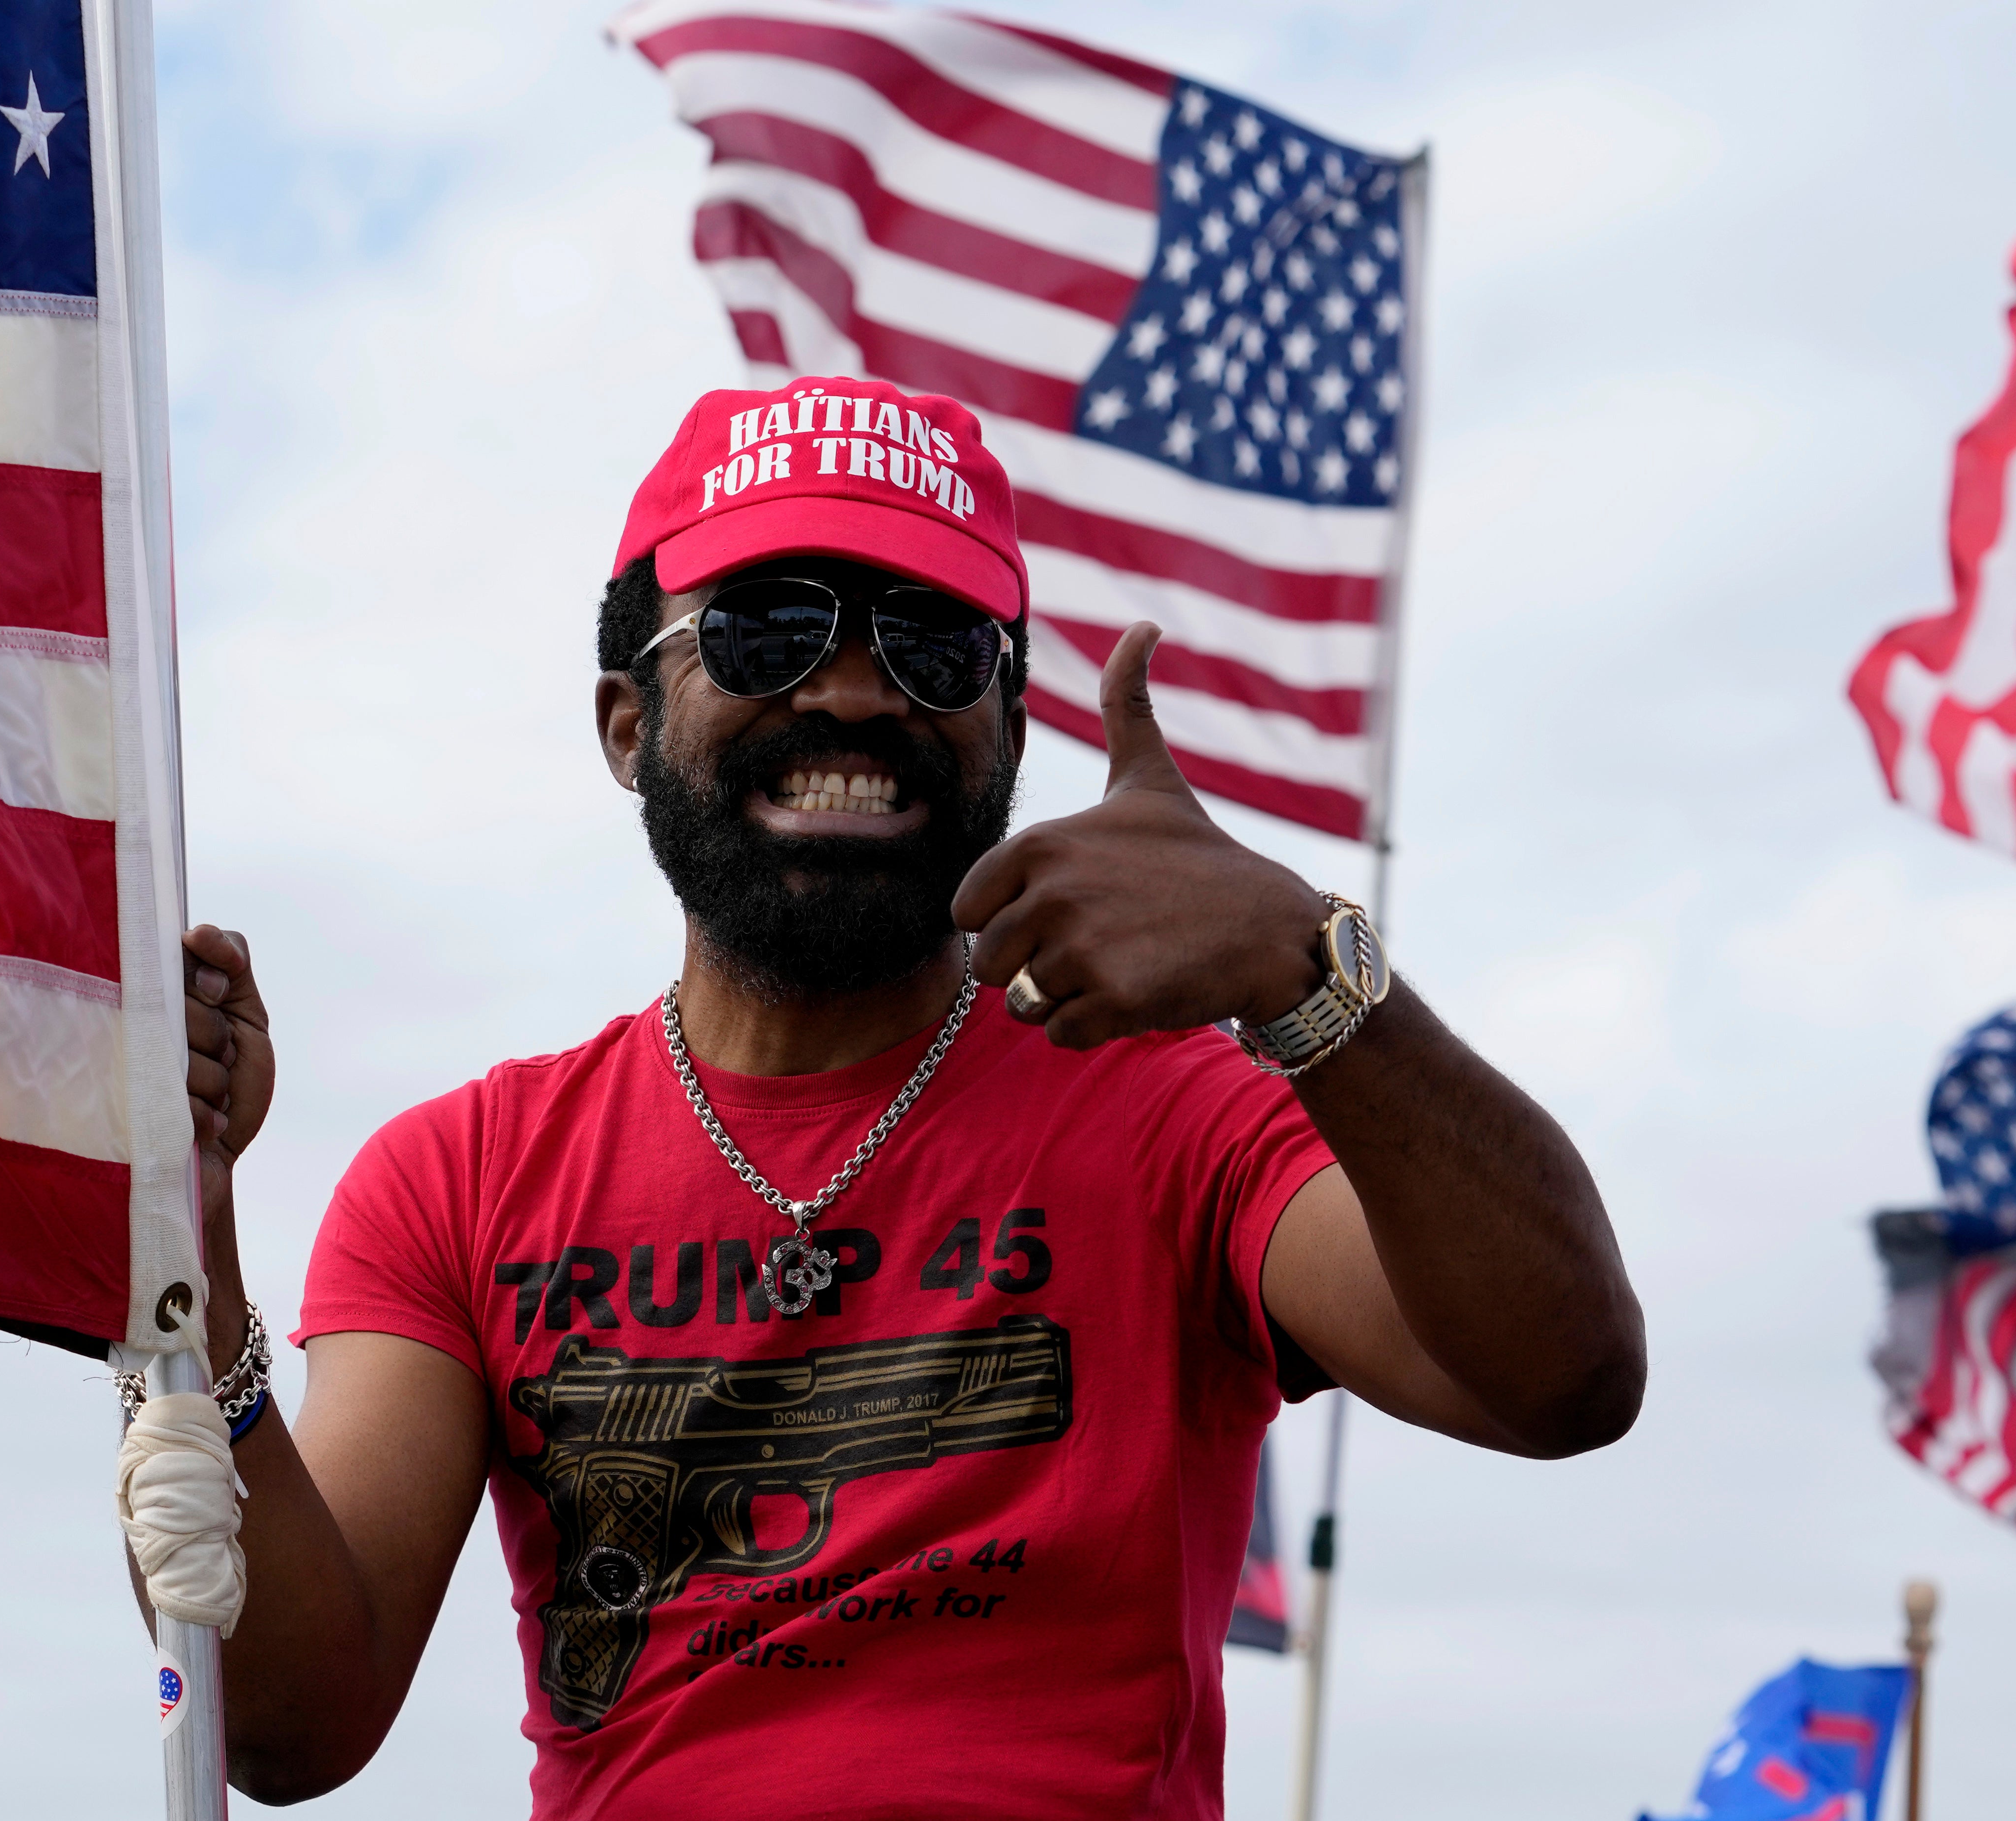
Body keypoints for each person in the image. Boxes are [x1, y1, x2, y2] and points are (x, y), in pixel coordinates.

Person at [162, 378, 1644, 1818]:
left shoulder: (1177, 1110)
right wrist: (182, 1241)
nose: (856, 690)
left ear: (1007, 722)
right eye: (763, 628)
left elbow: (1563, 1373)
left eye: (936, 645)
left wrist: (1306, 962)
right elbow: (290, 1720)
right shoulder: (461, 1177)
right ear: (625, 725)